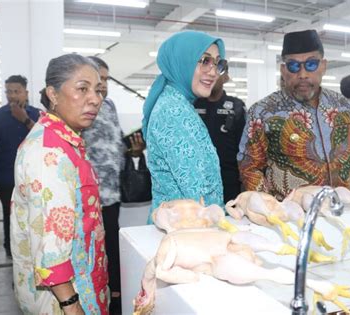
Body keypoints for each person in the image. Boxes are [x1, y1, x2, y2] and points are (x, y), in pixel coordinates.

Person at [10, 54, 108, 314]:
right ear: (53, 94)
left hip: (83, 278)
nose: (95, 99)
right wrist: (70, 304)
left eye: (98, 91)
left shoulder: (66, 141)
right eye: (82, 88)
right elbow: (49, 241)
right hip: (64, 297)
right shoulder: (49, 153)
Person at [238, 30, 350, 201]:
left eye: (311, 64)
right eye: (294, 66)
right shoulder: (263, 112)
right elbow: (250, 168)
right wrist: (273, 211)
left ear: (323, 66)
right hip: (290, 219)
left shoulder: (342, 106)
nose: (302, 74)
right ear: (283, 70)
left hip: (341, 211)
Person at [142, 31, 227, 221]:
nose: (213, 72)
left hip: (187, 225)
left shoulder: (178, 104)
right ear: (182, 61)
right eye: (204, 60)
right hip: (185, 228)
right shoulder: (172, 112)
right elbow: (196, 192)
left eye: (217, 63)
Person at [82, 56, 144, 315]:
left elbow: (116, 143)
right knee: (92, 249)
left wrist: (134, 149)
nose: (103, 84)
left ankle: (115, 297)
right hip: (88, 194)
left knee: (111, 246)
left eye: (106, 79)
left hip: (112, 191)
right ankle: (95, 296)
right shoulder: (81, 107)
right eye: (99, 78)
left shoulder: (109, 106)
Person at [0, 75, 40, 257]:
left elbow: (45, 141)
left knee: (33, 215)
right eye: (8, 92)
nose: (12, 96)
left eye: (16, 91)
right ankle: (11, 249)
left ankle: (34, 249)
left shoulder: (38, 115)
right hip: (7, 177)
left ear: (25, 93)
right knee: (9, 215)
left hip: (34, 178)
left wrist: (24, 119)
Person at [194, 64, 246, 203]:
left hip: (229, 183)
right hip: (198, 182)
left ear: (226, 77)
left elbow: (245, 149)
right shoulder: (193, 105)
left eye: (219, 71)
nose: (213, 75)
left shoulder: (237, 107)